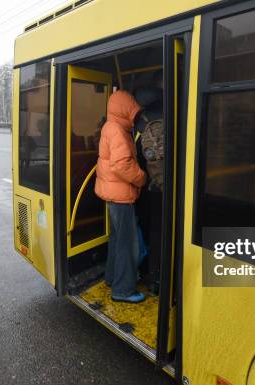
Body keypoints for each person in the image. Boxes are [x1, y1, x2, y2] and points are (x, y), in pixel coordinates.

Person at [95, 90, 147, 303]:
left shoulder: (110, 127)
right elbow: (121, 165)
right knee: (128, 244)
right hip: (121, 196)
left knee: (117, 240)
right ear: (125, 109)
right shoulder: (118, 131)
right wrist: (142, 178)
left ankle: (111, 278)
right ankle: (123, 290)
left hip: (112, 194)